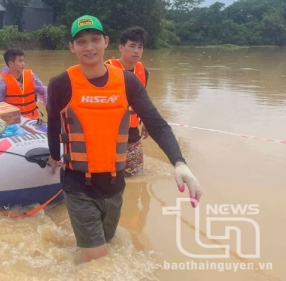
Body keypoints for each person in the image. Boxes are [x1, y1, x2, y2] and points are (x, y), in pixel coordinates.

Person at [46, 15, 201, 262]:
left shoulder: (128, 82)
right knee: (98, 259)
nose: (89, 47)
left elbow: (157, 124)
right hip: (77, 184)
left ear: (105, 41)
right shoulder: (60, 84)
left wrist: (179, 162)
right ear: (71, 47)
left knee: (108, 241)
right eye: (81, 42)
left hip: (115, 185)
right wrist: (54, 156)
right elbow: (53, 124)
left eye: (95, 39)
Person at [105, 26, 149, 177]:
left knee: (135, 173)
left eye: (140, 47)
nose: (136, 51)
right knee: (108, 174)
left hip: (132, 131)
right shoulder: (106, 69)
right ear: (121, 48)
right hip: (109, 132)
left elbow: (143, 101)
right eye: (132, 46)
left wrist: (146, 121)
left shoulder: (143, 72)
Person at [0, 48, 47, 119]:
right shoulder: (2, 82)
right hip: (14, 123)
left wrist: (51, 109)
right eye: (20, 61)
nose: (23, 64)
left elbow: (44, 91)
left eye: (23, 61)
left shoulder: (31, 76)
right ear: (10, 63)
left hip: (32, 121)